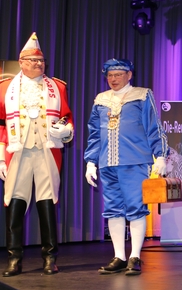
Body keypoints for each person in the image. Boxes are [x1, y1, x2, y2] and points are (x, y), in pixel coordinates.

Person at [84, 59, 169, 276]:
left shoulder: (141, 95)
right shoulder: (101, 100)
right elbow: (94, 133)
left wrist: (160, 155)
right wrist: (91, 161)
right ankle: (119, 256)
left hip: (135, 160)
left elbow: (154, 126)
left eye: (118, 75)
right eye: (110, 75)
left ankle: (135, 256)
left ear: (129, 75)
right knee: (113, 208)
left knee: (136, 207)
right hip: (107, 162)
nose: (113, 79)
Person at [0, 32, 74, 277]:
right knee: (15, 201)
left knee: (47, 201)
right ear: (21, 62)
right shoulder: (5, 87)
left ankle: (50, 257)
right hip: (17, 151)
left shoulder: (57, 87)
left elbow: (66, 117)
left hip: (46, 150)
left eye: (41, 61)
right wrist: (0, 156)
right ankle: (14, 258)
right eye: (33, 60)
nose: (38, 64)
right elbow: (0, 124)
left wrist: (66, 129)